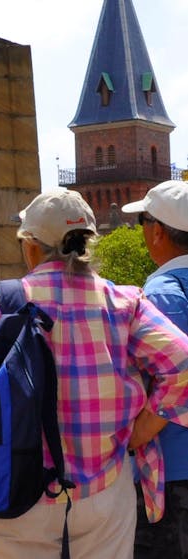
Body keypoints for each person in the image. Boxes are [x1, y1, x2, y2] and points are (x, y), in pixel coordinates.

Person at [0, 189, 188, 559]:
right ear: (87, 241)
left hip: (14, 485)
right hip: (104, 487)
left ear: (31, 246)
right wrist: (140, 432)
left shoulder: (0, 302)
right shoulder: (125, 303)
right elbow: (182, 364)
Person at [122, 180, 188, 558]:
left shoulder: (162, 291)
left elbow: (181, 369)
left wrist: (138, 433)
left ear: (158, 231)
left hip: (172, 477)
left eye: (143, 221)